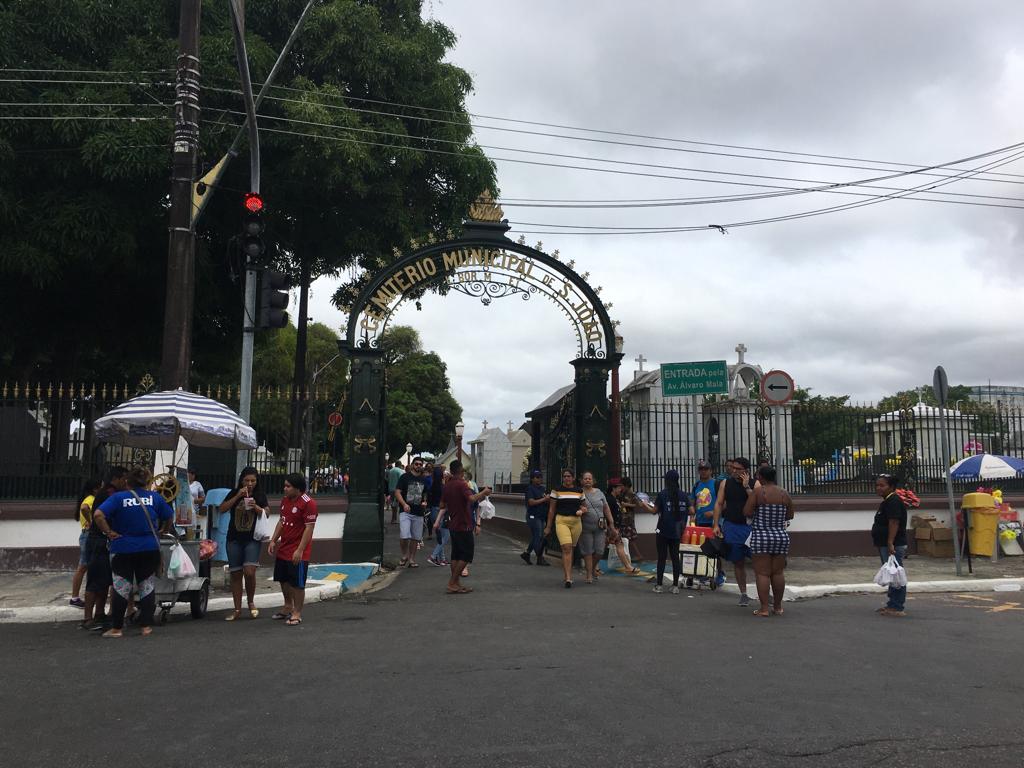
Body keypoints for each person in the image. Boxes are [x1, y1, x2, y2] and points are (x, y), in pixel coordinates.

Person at [91, 466, 174, 638]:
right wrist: (162, 530)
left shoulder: (118, 498)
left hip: (123, 548)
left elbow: (98, 515)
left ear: (127, 482)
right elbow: (169, 515)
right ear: (147, 483)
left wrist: (109, 532)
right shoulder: (155, 497)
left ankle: (117, 628)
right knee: (147, 586)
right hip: (149, 548)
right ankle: (146, 627)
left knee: (121, 588)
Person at [267, 473, 318, 626]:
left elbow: (309, 529)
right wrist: (274, 540)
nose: (285, 489)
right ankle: (287, 605)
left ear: (298, 489)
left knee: (297, 583)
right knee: (283, 579)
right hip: (284, 547)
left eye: (288, 486)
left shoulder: (308, 503)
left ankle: (297, 612)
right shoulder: (285, 501)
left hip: (298, 550)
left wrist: (300, 550)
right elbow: (282, 522)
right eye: (285, 485)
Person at [81, 467, 128, 631]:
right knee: (95, 579)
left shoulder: (110, 492)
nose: (126, 482)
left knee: (106, 580)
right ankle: (88, 617)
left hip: (105, 541)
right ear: (117, 478)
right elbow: (99, 516)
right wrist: (109, 532)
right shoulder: (109, 493)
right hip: (99, 541)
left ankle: (100, 614)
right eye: (124, 479)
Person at [219, 466, 269, 621]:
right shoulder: (234, 493)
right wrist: (237, 496)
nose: (250, 483)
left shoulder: (259, 495)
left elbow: (267, 512)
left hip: (252, 539)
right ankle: (237, 608)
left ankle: (251, 602)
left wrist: (257, 507)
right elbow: (222, 508)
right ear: (241, 480)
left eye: (253, 480)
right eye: (247, 480)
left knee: (249, 571)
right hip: (234, 538)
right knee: (235, 573)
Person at [743, 465, 794, 616]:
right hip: (780, 536)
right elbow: (790, 515)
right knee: (778, 573)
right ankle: (778, 607)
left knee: (763, 573)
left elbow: (747, 511)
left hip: (761, 536)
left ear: (762, 477)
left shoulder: (759, 492)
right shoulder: (784, 493)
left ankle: (764, 608)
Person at [439, 460, 491, 594]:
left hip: (453, 523)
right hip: (464, 523)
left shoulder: (447, 486)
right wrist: (484, 492)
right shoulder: (462, 484)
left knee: (456, 554)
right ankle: (452, 581)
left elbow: (442, 505)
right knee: (467, 555)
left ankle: (456, 583)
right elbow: (472, 499)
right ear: (461, 471)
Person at [713, 457, 755, 607]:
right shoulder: (726, 483)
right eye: (732, 468)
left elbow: (758, 503)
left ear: (746, 470)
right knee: (738, 561)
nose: (733, 470)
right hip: (732, 526)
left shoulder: (754, 483)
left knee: (759, 561)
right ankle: (743, 594)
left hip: (750, 527)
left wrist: (746, 487)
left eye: (737, 468)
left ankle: (764, 591)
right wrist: (716, 524)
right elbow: (719, 504)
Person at [872, 473, 908, 617]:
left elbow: (894, 522)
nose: (878, 488)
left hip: (893, 544)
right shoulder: (887, 501)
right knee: (890, 573)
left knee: (895, 574)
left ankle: (897, 606)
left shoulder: (893, 501)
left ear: (891, 487)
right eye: (877, 485)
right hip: (886, 544)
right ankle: (892, 604)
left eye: (882, 485)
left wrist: (890, 542)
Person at [544, 469, 585, 588]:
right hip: (561, 520)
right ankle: (568, 577)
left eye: (569, 476)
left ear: (573, 478)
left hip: (576, 522)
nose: (566, 478)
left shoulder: (579, 491)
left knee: (571, 548)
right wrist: (548, 526)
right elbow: (551, 509)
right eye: (565, 476)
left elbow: (584, 507)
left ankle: (568, 573)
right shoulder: (556, 490)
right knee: (566, 548)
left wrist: (582, 510)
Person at [652, 470, 691, 594]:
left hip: (663, 530)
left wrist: (643, 505)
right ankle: (675, 586)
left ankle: (659, 585)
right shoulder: (684, 495)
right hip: (678, 531)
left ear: (667, 481)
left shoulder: (663, 494)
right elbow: (692, 510)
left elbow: (654, 511)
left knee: (662, 558)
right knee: (675, 558)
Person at [578, 471, 617, 584]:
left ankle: (592, 568)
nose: (587, 480)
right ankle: (589, 574)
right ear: (582, 481)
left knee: (600, 551)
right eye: (585, 478)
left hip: (600, 526)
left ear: (593, 480)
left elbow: (606, 508)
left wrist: (612, 524)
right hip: (585, 527)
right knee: (588, 551)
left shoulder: (599, 492)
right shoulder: (579, 493)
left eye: (589, 478)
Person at [690, 459, 724, 588]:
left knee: (715, 550)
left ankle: (719, 574)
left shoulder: (716, 484)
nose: (703, 471)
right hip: (699, 522)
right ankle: (704, 573)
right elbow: (693, 502)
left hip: (713, 523)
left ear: (711, 471)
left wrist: (713, 512)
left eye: (706, 469)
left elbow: (723, 504)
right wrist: (692, 513)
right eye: (701, 469)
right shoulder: (696, 485)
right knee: (701, 549)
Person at [70, 478, 101, 608]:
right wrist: (92, 522)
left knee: (86, 566)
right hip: (88, 535)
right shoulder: (90, 499)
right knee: (83, 566)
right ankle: (75, 597)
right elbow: (84, 508)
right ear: (95, 489)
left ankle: (79, 596)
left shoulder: (89, 498)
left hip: (86, 535)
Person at [394, 456, 427, 567]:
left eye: (420, 464)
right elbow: (397, 492)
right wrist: (404, 504)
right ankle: (404, 555)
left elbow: (425, 493)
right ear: (412, 464)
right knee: (404, 535)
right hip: (406, 511)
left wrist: (425, 502)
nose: (418, 466)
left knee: (415, 537)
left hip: (418, 512)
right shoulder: (404, 477)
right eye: (416, 464)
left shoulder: (423, 479)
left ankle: (412, 559)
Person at [606, 477, 640, 574]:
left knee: (619, 545)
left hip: (615, 527)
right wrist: (610, 527)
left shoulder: (615, 499)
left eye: (621, 487)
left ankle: (628, 567)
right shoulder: (609, 499)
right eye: (619, 487)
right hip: (610, 528)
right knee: (600, 548)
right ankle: (593, 567)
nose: (620, 489)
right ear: (613, 488)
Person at [619, 477, 654, 562]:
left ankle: (638, 555)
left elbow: (639, 505)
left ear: (626, 486)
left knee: (630, 539)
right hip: (622, 519)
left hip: (628, 519)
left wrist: (626, 504)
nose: (621, 487)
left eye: (622, 486)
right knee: (625, 538)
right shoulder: (622, 494)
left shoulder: (632, 495)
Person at [521, 469, 550, 565]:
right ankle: (539, 557)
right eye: (537, 477)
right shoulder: (530, 488)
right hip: (533, 516)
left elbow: (545, 499)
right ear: (532, 479)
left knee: (537, 537)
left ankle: (527, 553)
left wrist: (547, 499)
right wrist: (544, 499)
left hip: (541, 515)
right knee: (538, 536)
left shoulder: (542, 488)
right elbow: (531, 502)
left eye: (540, 477)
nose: (539, 479)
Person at [426, 465, 449, 566]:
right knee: (446, 535)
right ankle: (433, 556)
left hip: (433, 511)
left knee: (440, 536)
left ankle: (442, 559)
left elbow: (429, 500)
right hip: (441, 511)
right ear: (441, 476)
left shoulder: (431, 487)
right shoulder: (443, 487)